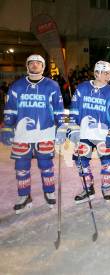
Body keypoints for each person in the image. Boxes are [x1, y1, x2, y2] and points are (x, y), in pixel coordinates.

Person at [0, 54, 65, 214]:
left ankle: (48, 191)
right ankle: (24, 195)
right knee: (21, 167)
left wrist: (61, 126)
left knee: (46, 166)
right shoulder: (17, 86)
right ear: (27, 66)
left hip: (45, 133)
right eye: (32, 63)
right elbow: (10, 108)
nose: (35, 65)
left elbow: (58, 107)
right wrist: (7, 126)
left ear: (43, 67)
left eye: (38, 63)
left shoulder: (52, 85)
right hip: (22, 135)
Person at [67, 61, 110, 203]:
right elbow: (74, 109)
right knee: (81, 163)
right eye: (106, 73)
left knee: (107, 163)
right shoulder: (82, 88)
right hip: (84, 133)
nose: (108, 76)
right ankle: (88, 188)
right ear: (96, 72)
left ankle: (106, 187)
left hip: (103, 134)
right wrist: (72, 128)